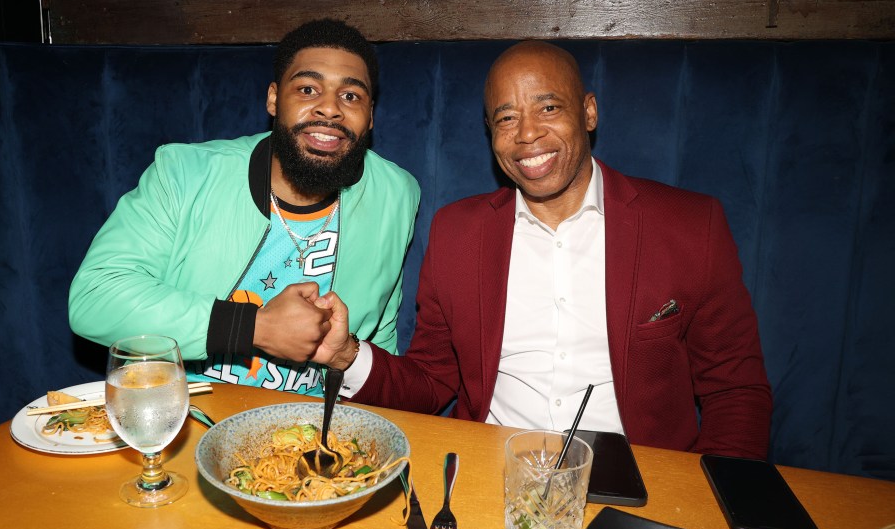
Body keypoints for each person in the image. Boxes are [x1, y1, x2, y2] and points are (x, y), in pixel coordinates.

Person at [311, 40, 772, 458]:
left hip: (636, 485)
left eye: (548, 107)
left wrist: (711, 506)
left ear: (588, 112)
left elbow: (735, 391)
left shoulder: (689, 225)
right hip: (492, 474)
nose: (527, 134)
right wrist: (347, 354)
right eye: (506, 118)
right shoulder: (457, 231)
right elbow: (433, 381)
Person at [68, 19, 420, 398]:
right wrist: (256, 327)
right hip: (188, 417)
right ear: (273, 99)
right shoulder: (186, 174)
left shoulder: (396, 194)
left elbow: (380, 334)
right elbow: (95, 296)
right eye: (307, 89)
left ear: (370, 116)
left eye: (351, 96)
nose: (330, 109)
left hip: (311, 430)